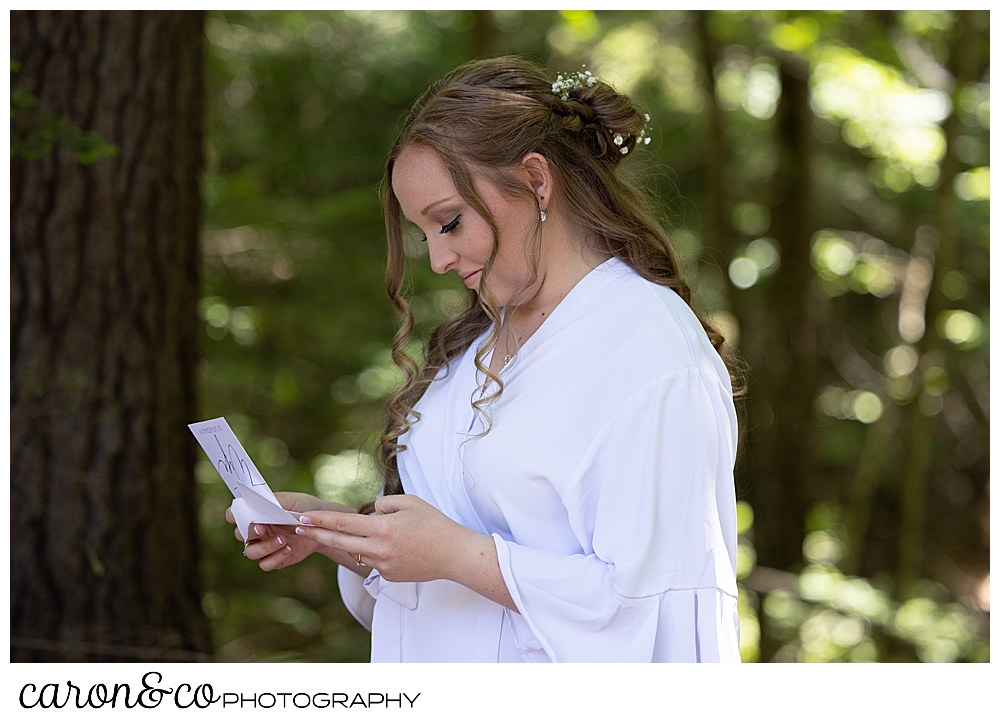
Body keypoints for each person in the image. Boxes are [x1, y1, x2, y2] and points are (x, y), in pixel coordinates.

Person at [228, 56, 741, 663]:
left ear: (536, 181)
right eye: (425, 236)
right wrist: (333, 529)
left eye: (449, 222)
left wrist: (454, 554)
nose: (439, 260)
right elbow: (442, 563)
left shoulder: (651, 353)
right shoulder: (472, 351)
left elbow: (663, 609)